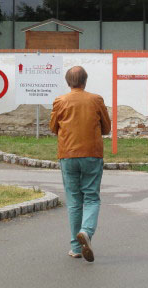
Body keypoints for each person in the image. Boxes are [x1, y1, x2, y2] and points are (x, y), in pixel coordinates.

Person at [49, 66, 111, 262]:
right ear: (85, 81)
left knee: (74, 201)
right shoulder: (96, 99)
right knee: (91, 197)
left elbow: (53, 128)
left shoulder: (60, 101)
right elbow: (107, 128)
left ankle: (76, 247)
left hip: (67, 154)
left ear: (68, 82)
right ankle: (86, 231)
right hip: (92, 154)